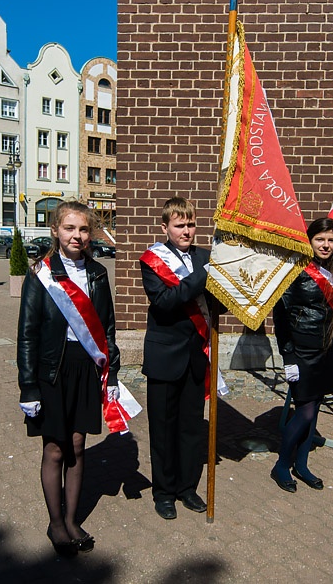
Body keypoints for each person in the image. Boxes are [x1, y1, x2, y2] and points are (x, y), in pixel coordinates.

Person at [17, 201, 120, 555]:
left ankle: (73, 519)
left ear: (90, 233)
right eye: (69, 228)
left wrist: (114, 375)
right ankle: (56, 523)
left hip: (85, 367)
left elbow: (106, 329)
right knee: (55, 447)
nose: (77, 235)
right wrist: (28, 386)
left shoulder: (98, 274)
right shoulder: (40, 274)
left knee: (78, 444)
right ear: (55, 231)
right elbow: (27, 333)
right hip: (52, 370)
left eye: (83, 229)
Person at [139, 196, 211, 520]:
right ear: (165, 227)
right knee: (164, 429)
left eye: (191, 224)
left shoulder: (206, 257)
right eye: (179, 225)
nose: (187, 230)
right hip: (165, 355)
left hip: (196, 354)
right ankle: (164, 492)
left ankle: (186, 488)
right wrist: (203, 276)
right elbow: (165, 301)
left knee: (192, 429)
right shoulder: (151, 260)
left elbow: (216, 303)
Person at [271, 217, 333, 493]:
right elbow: (280, 318)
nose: (326, 245)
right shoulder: (295, 270)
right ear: (310, 240)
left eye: (331, 240)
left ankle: (302, 465)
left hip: (327, 351)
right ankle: (282, 464)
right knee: (304, 412)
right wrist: (289, 358)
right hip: (302, 351)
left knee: (314, 410)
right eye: (320, 239)